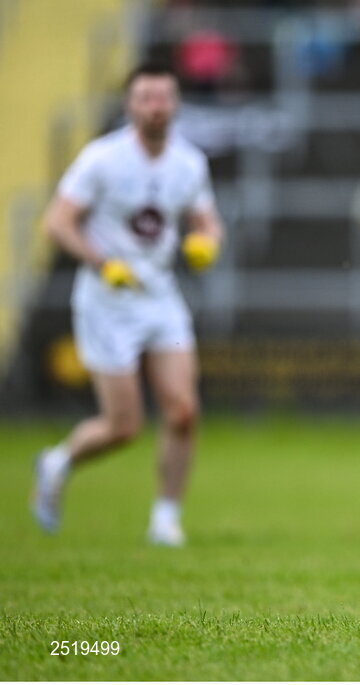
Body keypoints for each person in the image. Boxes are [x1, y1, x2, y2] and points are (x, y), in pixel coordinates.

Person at [31, 63, 224, 547]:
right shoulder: (102, 159)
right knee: (124, 427)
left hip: (160, 296)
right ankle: (59, 461)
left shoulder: (189, 163)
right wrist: (101, 263)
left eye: (164, 97)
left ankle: (165, 518)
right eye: (146, 97)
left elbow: (207, 221)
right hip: (107, 300)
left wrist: (206, 242)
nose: (156, 106)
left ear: (176, 104)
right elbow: (58, 222)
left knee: (182, 411)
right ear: (130, 106)